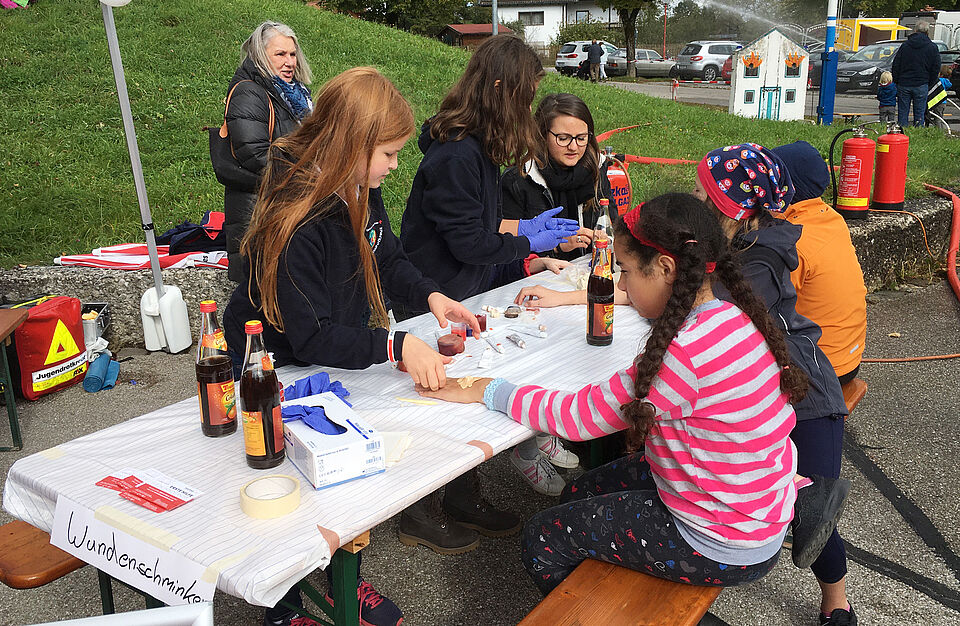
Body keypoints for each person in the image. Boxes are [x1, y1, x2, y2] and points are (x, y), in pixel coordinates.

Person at [418, 194, 848, 599]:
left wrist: (488, 389)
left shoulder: (684, 356)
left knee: (542, 537)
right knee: (581, 490)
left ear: (664, 268)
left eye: (624, 271)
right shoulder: (731, 316)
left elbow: (577, 417)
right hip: (749, 497)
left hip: (718, 538)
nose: (619, 283)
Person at [223, 66, 481, 626]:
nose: (395, 165)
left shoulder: (361, 186)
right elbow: (311, 334)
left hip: (325, 347)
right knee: (282, 477)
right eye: (388, 153)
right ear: (351, 144)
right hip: (274, 360)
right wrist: (395, 344)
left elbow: (386, 255)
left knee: (338, 472)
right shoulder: (296, 217)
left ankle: (341, 575)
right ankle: (283, 604)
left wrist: (431, 295)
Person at [398, 34, 579, 555]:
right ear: (501, 89)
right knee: (436, 399)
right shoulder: (456, 155)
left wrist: (523, 227)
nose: (528, 110)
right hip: (433, 295)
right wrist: (527, 242)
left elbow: (480, 224)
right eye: (526, 97)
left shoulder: (477, 148)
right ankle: (417, 511)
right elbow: (469, 242)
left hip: (462, 291)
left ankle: (462, 496)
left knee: (465, 391)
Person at [693, 144, 857, 626]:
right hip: (764, 395)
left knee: (813, 514)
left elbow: (708, 314)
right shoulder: (737, 244)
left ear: (734, 208)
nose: (697, 204)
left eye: (704, 197)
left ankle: (837, 602)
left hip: (805, 395)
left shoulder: (758, 260)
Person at [500, 92, 615, 495]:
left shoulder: (595, 170)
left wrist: (597, 239)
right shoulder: (517, 179)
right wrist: (545, 253)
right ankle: (527, 446)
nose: (573, 147)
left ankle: (546, 428)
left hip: (574, 280)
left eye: (581, 138)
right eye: (562, 138)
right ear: (541, 134)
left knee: (578, 354)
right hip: (526, 281)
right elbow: (502, 243)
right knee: (538, 358)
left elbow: (607, 220)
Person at [216, 21, 315, 282]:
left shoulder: (295, 95)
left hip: (285, 209)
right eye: (280, 54)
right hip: (260, 215)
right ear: (260, 55)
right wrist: (309, 171)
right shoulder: (250, 93)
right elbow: (255, 155)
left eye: (292, 54)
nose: (289, 62)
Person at [772, 141, 867, 385]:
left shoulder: (792, 241)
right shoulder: (831, 218)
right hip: (848, 358)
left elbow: (765, 305)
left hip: (819, 369)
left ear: (784, 189)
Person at [891, 20, 941, 128]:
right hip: (922, 83)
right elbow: (936, 67)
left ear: (915, 30)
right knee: (919, 113)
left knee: (902, 112)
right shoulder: (932, 47)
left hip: (904, 83)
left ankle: (902, 133)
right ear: (927, 31)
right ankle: (918, 132)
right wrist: (929, 82)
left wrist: (897, 81)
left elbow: (896, 65)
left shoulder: (905, 46)